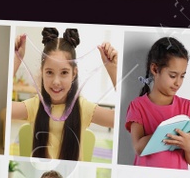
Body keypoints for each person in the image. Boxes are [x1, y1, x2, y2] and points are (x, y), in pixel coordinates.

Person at [9, 27, 120, 161]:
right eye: (49, 72)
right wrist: (15, 60)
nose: (56, 82)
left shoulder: (82, 108)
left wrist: (113, 68)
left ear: (74, 73)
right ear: (42, 72)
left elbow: (123, 119)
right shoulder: (35, 105)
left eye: (64, 72)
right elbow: (5, 108)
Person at [125, 36, 190, 169]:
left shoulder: (188, 107)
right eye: (172, 75)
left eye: (182, 76)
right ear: (154, 69)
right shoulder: (138, 106)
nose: (178, 82)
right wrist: (167, 132)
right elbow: (138, 148)